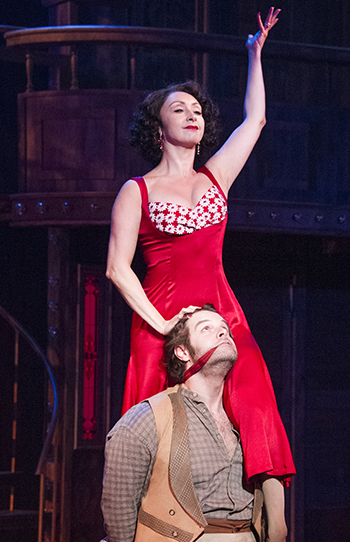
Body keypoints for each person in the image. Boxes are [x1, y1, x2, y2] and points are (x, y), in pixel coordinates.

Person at [106, 7, 295, 486]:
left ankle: (266, 504)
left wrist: (255, 54)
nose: (191, 115)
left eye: (197, 111)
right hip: (161, 312)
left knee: (252, 393)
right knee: (158, 421)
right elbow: (116, 269)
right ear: (158, 126)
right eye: (179, 109)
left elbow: (255, 120)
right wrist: (162, 322)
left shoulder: (216, 178)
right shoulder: (137, 191)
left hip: (220, 305)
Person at [101, 305, 288, 542]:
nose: (222, 333)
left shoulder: (246, 421)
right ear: (182, 352)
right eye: (206, 328)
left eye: (225, 329)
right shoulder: (147, 418)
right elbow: (119, 516)